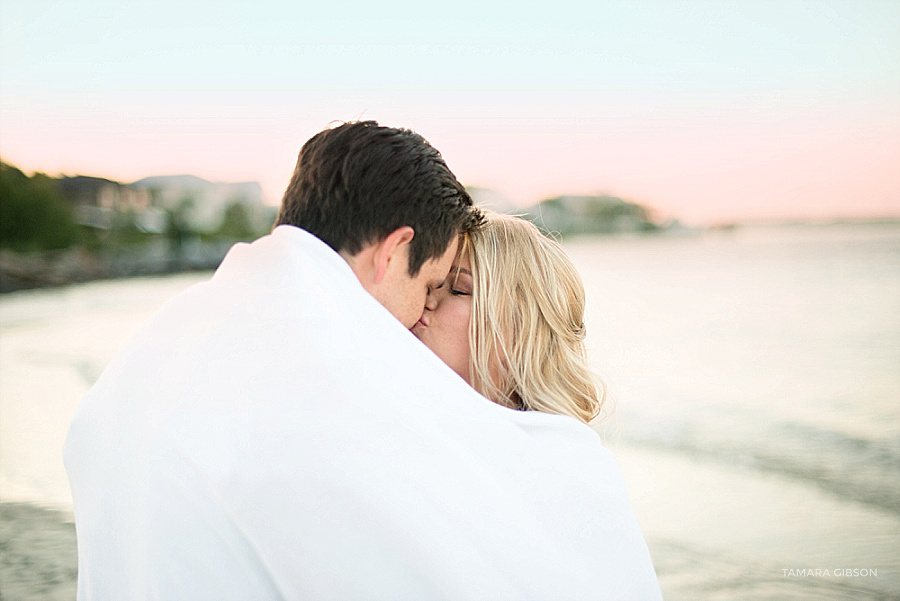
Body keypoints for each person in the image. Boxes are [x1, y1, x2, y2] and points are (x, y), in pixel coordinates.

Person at [64, 121, 662, 600]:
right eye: (433, 284)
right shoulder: (339, 383)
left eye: (450, 291)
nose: (418, 312)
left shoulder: (165, 342)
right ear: (396, 249)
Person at [413, 210, 603, 424]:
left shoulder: (558, 448)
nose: (424, 301)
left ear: (522, 328)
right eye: (427, 286)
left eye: (457, 290)